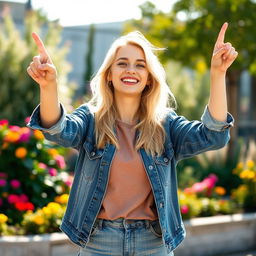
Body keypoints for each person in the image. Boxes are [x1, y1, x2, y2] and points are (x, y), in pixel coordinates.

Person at [27, 22, 237, 256]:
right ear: (109, 75)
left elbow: (213, 136)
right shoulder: (90, 120)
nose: (131, 70)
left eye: (140, 65)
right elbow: (58, 130)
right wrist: (48, 87)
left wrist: (218, 74)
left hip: (153, 243)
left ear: (149, 78)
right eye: (122, 63)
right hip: (99, 243)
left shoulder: (166, 125)